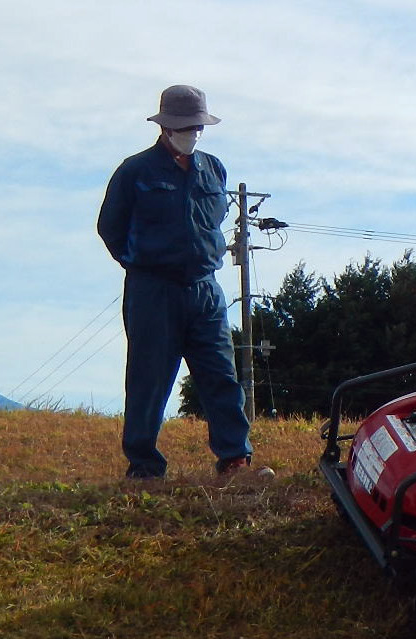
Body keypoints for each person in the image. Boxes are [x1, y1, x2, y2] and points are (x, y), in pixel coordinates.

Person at [97, 85, 258, 480]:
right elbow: (110, 228)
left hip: (205, 289)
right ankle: (144, 465)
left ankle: (234, 458)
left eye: (199, 126)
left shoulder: (214, 168)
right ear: (166, 126)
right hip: (153, 290)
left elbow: (213, 222)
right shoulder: (134, 170)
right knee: (148, 379)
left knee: (221, 374)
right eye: (186, 126)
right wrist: (142, 264)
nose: (194, 133)